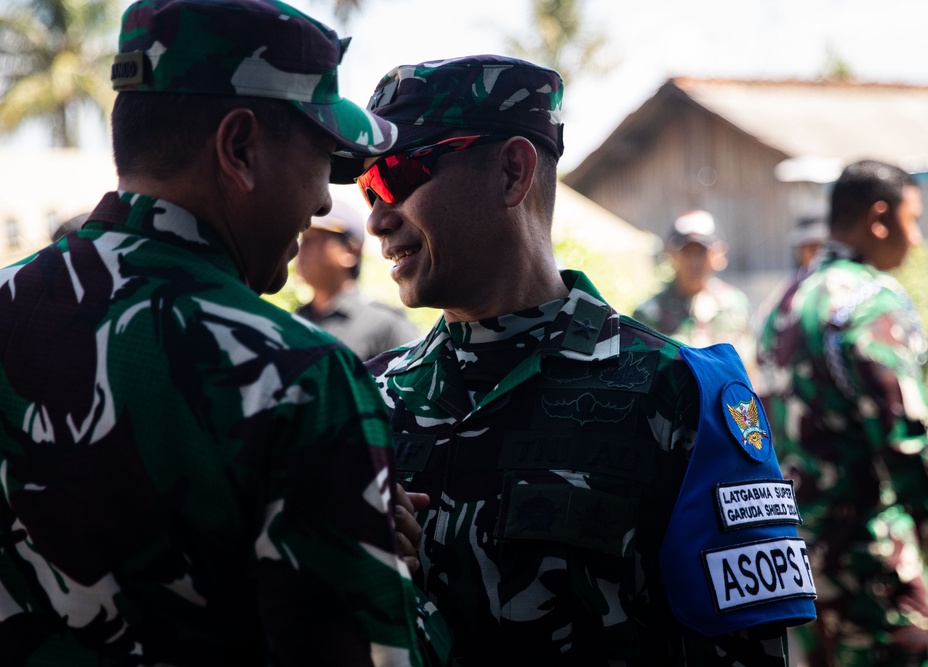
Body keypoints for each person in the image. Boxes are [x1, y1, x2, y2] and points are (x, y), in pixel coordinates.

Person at [0, 1, 450, 664]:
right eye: (322, 160)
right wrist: (382, 562)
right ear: (239, 148)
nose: (324, 202)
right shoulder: (294, 373)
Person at [352, 54, 815, 664]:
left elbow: (749, 651)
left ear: (512, 171)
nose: (378, 218)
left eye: (398, 176)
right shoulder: (366, 397)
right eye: (366, 188)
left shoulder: (682, 394)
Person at [757, 159, 928, 666]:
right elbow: (906, 441)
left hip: (801, 560)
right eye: (912, 220)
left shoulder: (784, 301)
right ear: (880, 218)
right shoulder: (869, 302)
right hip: (869, 562)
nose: (915, 238)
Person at [296, 197, 420, 360]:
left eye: (311, 240)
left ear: (349, 251)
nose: (300, 249)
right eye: (302, 240)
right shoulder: (295, 321)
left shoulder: (385, 325)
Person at [633, 210, 756, 373]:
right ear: (671, 254)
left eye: (701, 252)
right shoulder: (648, 313)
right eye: (686, 251)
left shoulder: (733, 306)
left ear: (719, 255)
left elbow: (748, 371)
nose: (694, 261)